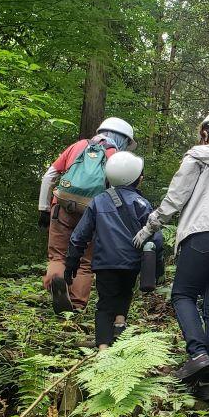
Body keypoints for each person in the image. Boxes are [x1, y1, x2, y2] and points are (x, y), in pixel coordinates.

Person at [131, 109, 209, 403]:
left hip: (202, 232)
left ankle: (198, 353)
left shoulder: (197, 155)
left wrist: (149, 226)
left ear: (207, 131)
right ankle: (208, 384)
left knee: (182, 295)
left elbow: (175, 198)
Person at [65, 152, 163, 349]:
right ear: (137, 179)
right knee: (125, 292)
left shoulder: (98, 201)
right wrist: (157, 266)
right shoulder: (142, 203)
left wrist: (71, 263)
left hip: (105, 262)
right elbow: (156, 237)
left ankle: (102, 348)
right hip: (131, 262)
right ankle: (119, 324)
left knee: (105, 303)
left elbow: (80, 235)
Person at [39, 117, 136, 314]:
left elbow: (50, 176)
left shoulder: (78, 145)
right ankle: (75, 307)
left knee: (57, 255)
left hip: (62, 206)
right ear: (123, 138)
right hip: (93, 213)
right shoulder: (115, 156)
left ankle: (58, 280)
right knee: (84, 263)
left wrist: (43, 208)